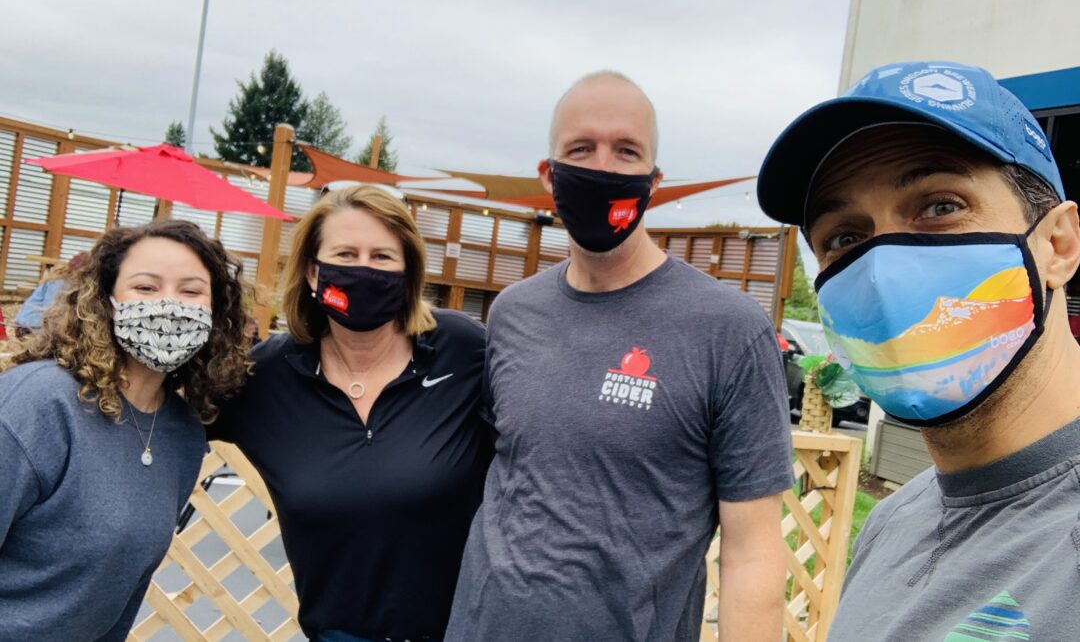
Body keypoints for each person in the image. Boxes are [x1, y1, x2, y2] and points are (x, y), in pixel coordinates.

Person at [444, 71, 795, 642]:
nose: (603, 167)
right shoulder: (512, 312)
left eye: (625, 151)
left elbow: (753, 550)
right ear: (548, 174)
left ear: (653, 181)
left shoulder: (729, 330)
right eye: (581, 148)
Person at [757, 60, 1080, 640]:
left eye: (940, 206)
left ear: (1058, 244)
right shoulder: (891, 523)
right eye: (845, 239)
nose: (882, 272)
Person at [208, 185, 492, 641]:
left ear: (408, 273)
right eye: (345, 253)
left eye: (382, 257)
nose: (363, 269)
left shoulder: (462, 350)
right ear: (313, 272)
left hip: (469, 631)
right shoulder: (263, 377)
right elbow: (159, 420)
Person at [0, 220, 251, 640]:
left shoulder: (183, 434)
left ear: (215, 312)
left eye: (191, 292)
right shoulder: (38, 403)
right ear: (107, 300)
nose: (170, 304)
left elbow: (117, 592)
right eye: (146, 288)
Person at [11, 251, 86, 337]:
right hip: (31, 327)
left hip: (31, 325)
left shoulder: (62, 281)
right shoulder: (60, 283)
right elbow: (51, 310)